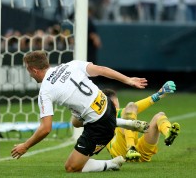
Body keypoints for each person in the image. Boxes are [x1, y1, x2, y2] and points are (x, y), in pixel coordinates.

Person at [11, 50, 149, 173]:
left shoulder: (45, 91)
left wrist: (25, 145)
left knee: (71, 167)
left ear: (34, 70)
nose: (29, 75)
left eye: (28, 71)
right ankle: (124, 122)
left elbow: (46, 128)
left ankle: (111, 164)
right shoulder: (71, 64)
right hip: (108, 104)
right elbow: (101, 69)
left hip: (100, 126)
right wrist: (128, 80)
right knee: (75, 122)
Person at [105, 81, 181, 162]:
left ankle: (168, 133)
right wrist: (159, 94)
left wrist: (159, 94)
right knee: (129, 116)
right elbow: (134, 106)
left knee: (159, 116)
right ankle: (130, 148)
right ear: (114, 103)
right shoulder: (111, 113)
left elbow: (134, 107)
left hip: (138, 153)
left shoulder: (96, 115)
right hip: (121, 154)